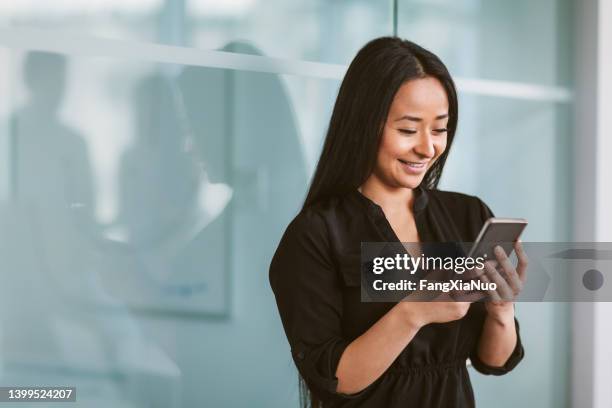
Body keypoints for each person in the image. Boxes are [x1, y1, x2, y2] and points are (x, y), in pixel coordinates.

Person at [268, 37, 527, 408]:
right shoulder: (316, 235)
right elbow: (333, 379)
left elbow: (494, 360)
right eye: (408, 130)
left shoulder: (468, 216)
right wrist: (414, 310)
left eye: (439, 129)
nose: (427, 148)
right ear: (364, 125)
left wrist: (502, 311)